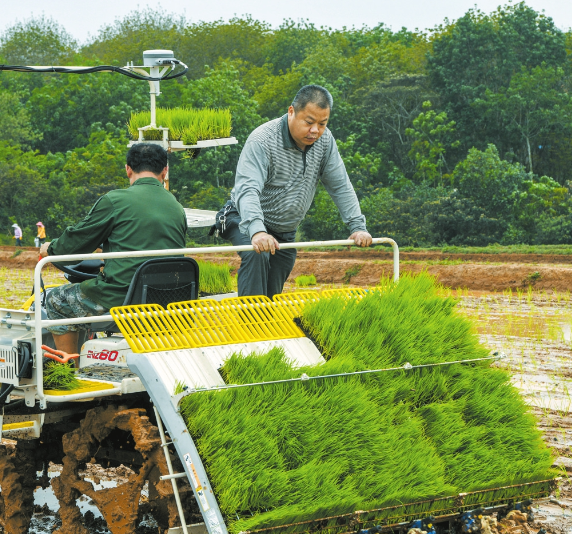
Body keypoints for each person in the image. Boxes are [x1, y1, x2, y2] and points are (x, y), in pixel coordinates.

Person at [216, 85, 373, 298]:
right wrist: (258, 231)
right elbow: (248, 189)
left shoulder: (325, 142)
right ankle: (248, 327)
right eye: (309, 122)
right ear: (291, 112)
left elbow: (340, 185)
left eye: (322, 124)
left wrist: (357, 226)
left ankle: (269, 328)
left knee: (275, 288)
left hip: (285, 230)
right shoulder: (263, 140)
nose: (315, 130)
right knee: (257, 255)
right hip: (243, 217)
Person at [39, 143, 187, 355]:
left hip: (122, 299)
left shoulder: (115, 201)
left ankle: (70, 370)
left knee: (56, 300)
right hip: (166, 300)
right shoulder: (176, 206)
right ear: (165, 171)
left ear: (128, 169)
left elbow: (73, 244)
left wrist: (49, 249)